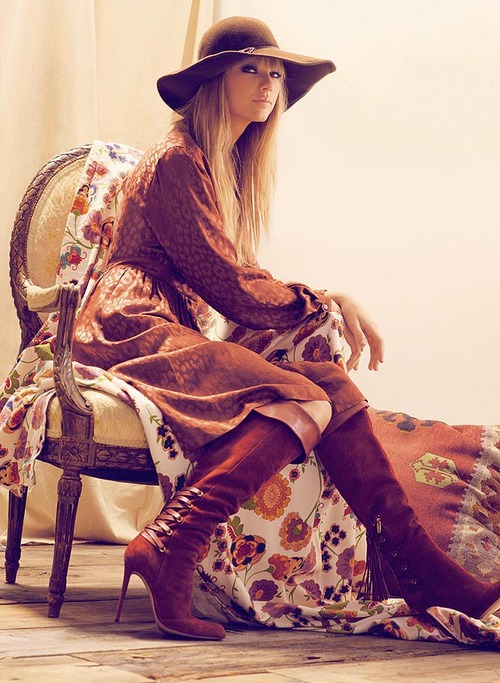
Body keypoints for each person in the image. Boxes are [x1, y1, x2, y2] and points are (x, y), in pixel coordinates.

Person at [72, 16, 500, 641]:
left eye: (275, 73)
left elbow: (239, 271)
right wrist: (319, 300)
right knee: (308, 395)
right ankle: (173, 541)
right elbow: (230, 287)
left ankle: (418, 567)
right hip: (130, 324)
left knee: (330, 385)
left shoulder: (215, 164)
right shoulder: (178, 161)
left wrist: (326, 297)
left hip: (166, 324)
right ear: (213, 82)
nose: (268, 84)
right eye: (250, 68)